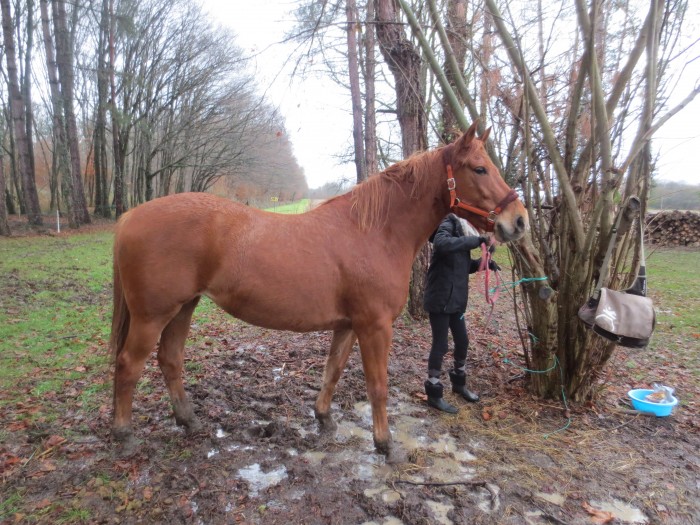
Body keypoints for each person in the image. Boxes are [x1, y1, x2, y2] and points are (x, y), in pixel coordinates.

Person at [423, 213, 499, 413]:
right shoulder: (449, 222)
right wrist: (476, 241)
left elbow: (463, 267)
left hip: (456, 300)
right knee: (440, 345)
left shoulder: (465, 232)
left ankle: (458, 384)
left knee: (463, 341)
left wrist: (485, 265)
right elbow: (441, 243)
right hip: (440, 299)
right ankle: (433, 392)